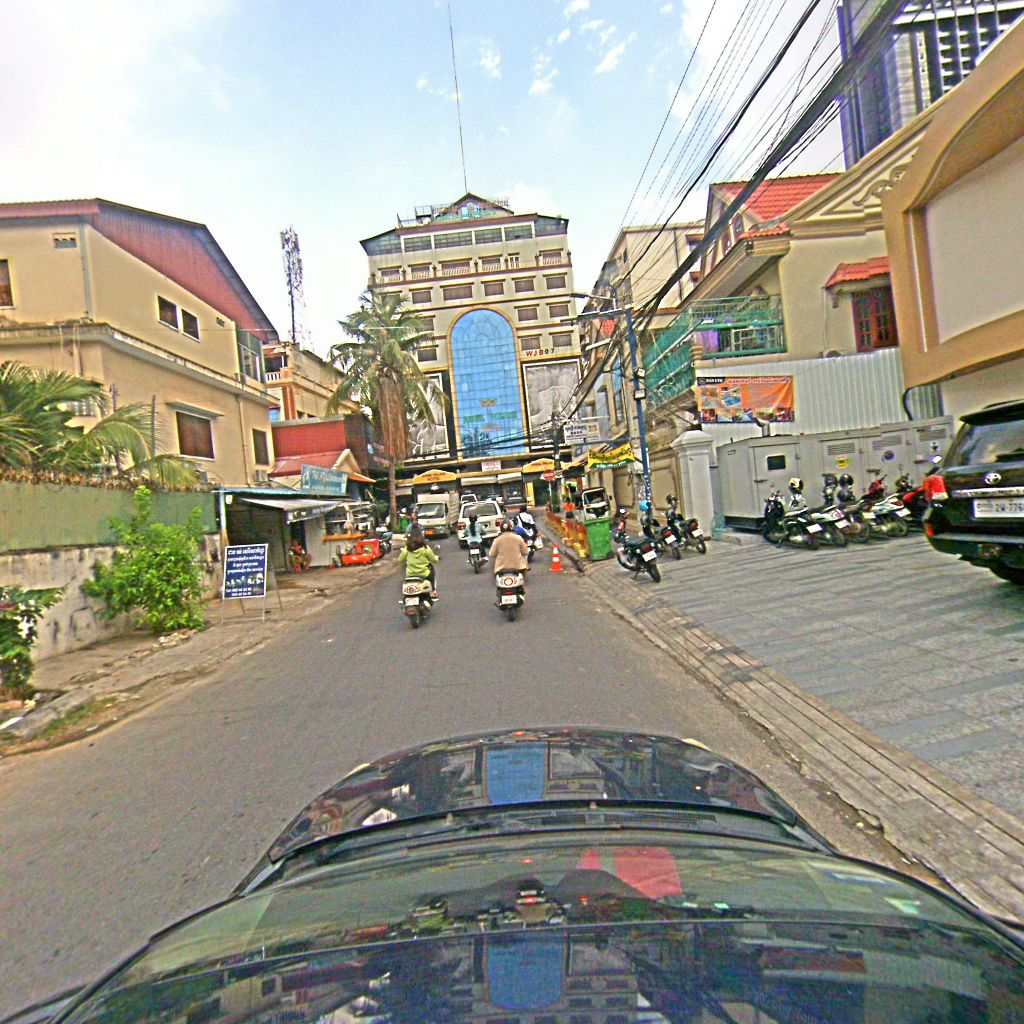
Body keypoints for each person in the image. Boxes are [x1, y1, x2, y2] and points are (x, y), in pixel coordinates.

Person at [398, 529, 439, 599]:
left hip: (410, 575)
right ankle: (432, 592)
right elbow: (433, 559)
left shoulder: (406, 549)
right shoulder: (425, 548)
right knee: (432, 573)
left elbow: (400, 560)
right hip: (424, 574)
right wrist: (437, 557)